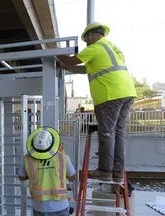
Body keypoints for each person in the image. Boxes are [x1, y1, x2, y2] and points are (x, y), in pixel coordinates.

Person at [58, 22, 136, 183]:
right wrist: (63, 66)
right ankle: (117, 171)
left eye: (86, 40)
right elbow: (83, 68)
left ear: (91, 35)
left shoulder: (95, 47)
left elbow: (73, 61)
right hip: (126, 93)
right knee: (118, 132)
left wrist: (55, 54)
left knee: (106, 132)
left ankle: (105, 170)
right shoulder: (112, 48)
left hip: (109, 94)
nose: (86, 43)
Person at [18, 127, 76, 216]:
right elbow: (73, 176)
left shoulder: (28, 159)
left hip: (40, 206)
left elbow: (21, 177)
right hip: (61, 205)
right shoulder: (63, 157)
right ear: (53, 143)